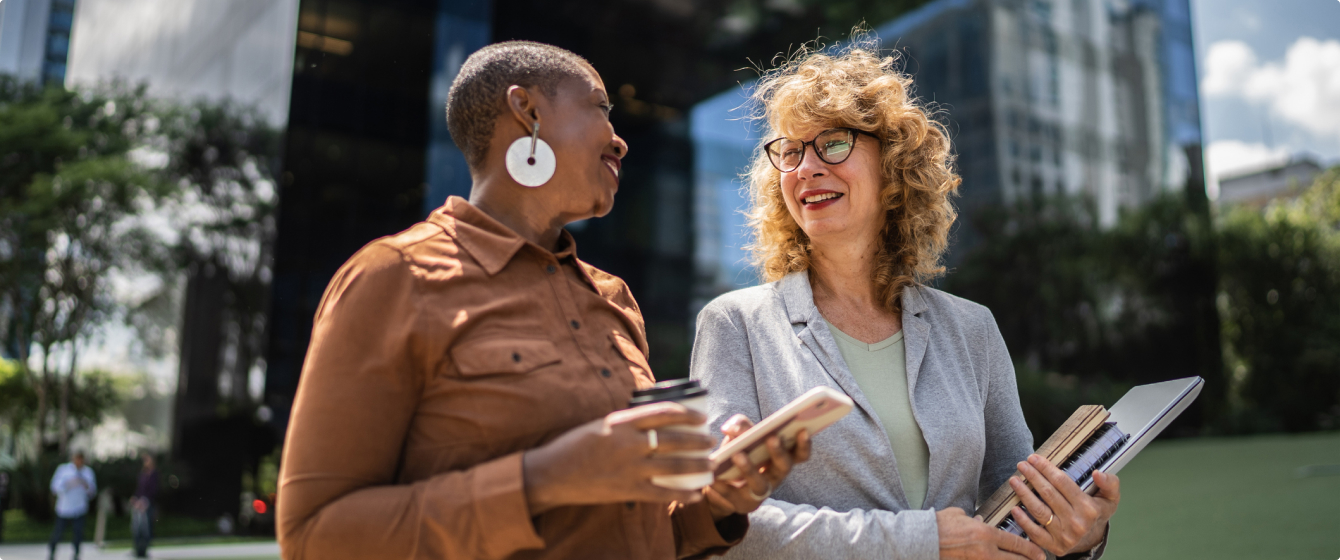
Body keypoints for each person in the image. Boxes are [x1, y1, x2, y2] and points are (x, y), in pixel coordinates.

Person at [276, 41, 809, 560]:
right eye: (601, 109)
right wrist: (542, 480)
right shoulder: (394, 278)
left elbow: (636, 529)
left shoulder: (613, 298)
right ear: (526, 110)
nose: (620, 142)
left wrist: (716, 504)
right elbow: (313, 536)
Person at [690, 37, 1121, 560]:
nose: (805, 167)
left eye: (833, 143)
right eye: (790, 150)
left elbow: (1012, 505)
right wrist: (921, 543)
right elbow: (722, 520)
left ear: (893, 167)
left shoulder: (973, 329)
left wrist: (1081, 536)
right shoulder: (734, 325)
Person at [48, 450, 96, 560]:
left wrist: (85, 484)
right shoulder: (63, 470)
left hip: (79, 508)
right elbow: (54, 487)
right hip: (64, 508)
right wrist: (68, 484)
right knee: (58, 533)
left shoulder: (88, 472)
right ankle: (52, 552)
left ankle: (76, 554)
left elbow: (92, 492)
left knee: (78, 533)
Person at [131, 453, 159, 558]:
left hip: (148, 504)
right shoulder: (142, 474)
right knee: (137, 527)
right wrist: (135, 499)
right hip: (139, 504)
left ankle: (144, 550)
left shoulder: (154, 474)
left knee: (147, 528)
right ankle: (137, 549)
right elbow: (139, 489)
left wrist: (145, 501)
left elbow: (153, 490)